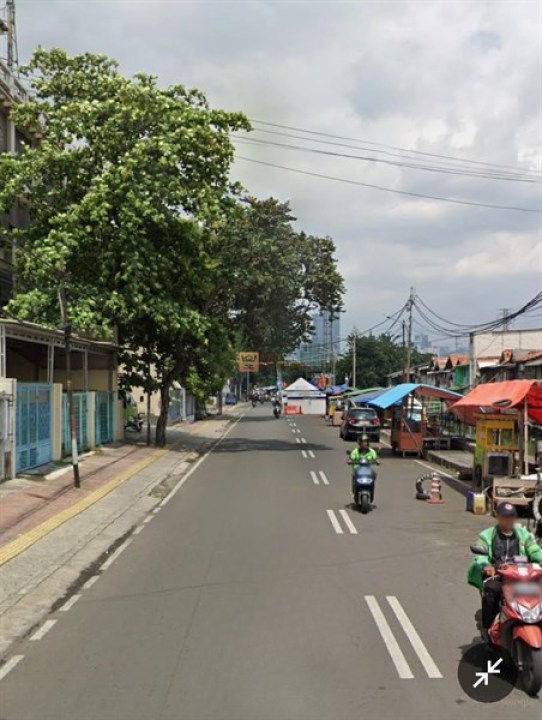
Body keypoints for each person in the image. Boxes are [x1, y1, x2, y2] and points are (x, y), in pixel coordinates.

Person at [467, 503, 542, 633]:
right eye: (505, 517)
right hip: (497, 575)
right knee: (491, 590)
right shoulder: (486, 535)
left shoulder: (524, 534)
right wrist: (486, 566)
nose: (509, 520)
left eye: (511, 516)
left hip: (522, 574)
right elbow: (479, 556)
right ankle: (489, 629)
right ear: (498, 517)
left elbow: (535, 550)